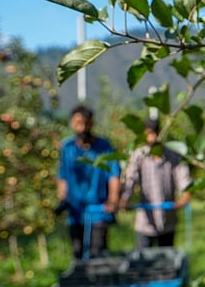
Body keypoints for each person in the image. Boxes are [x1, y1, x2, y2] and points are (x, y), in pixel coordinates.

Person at [55, 104, 121, 260]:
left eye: (85, 123)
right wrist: (62, 199)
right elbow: (63, 175)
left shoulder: (104, 147)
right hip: (76, 210)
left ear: (91, 124)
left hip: (99, 209)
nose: (82, 127)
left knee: (97, 252)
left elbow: (114, 175)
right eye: (78, 123)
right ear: (72, 123)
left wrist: (113, 200)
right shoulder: (67, 147)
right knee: (77, 252)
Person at [119, 118, 191, 249]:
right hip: (145, 221)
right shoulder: (139, 156)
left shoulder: (173, 156)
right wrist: (125, 199)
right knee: (143, 259)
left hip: (168, 218)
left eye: (153, 133)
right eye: (148, 134)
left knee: (166, 257)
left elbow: (183, 179)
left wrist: (184, 197)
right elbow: (131, 179)